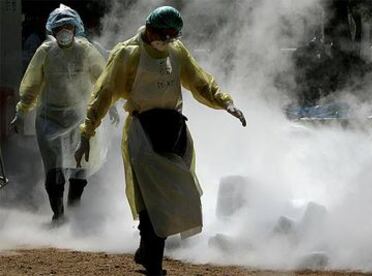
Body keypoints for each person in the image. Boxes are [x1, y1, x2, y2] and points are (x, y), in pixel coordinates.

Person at [75, 6, 246, 276]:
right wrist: (87, 132)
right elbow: (104, 93)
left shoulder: (176, 51)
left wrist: (227, 103)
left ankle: (146, 252)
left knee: (175, 197)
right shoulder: (128, 54)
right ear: (149, 27)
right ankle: (153, 263)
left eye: (171, 35)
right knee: (153, 202)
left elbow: (201, 82)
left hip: (173, 130)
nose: (165, 40)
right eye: (161, 34)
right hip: (143, 132)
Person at [10, 4, 110, 224]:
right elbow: (31, 86)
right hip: (50, 117)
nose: (64, 31)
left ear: (76, 28)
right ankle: (59, 215)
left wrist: (108, 105)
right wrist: (22, 110)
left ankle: (75, 212)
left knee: (80, 164)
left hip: (79, 115)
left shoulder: (86, 50)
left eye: (68, 26)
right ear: (52, 31)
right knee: (54, 166)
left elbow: (102, 80)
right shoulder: (45, 52)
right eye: (59, 28)